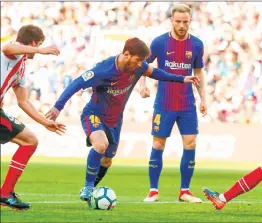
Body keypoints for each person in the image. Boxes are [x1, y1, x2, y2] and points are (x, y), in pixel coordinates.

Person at [45, 37, 200, 206]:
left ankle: (90, 191)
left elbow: (155, 72)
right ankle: (88, 187)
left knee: (107, 161)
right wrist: (57, 107)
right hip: (94, 114)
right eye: (138, 59)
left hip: (115, 121)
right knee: (100, 144)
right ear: (126, 54)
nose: (141, 63)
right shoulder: (103, 70)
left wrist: (182, 79)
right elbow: (76, 84)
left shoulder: (138, 67)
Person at [139, 3, 207, 203]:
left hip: (187, 104)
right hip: (164, 103)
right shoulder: (160, 42)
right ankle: (153, 190)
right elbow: (143, 65)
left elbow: (199, 73)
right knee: (159, 143)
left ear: (190, 21)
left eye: (185, 22)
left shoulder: (196, 44)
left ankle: (184, 191)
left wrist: (203, 98)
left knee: (191, 143)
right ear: (171, 20)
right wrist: (142, 84)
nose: (181, 25)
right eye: (178, 21)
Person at [0, 25, 66, 210]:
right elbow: (7, 48)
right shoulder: (14, 51)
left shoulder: (21, 68)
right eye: (39, 44)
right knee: (29, 141)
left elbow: (23, 101)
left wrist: (46, 123)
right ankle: (5, 193)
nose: (38, 50)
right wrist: (40, 50)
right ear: (33, 43)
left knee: (30, 141)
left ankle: (5, 193)